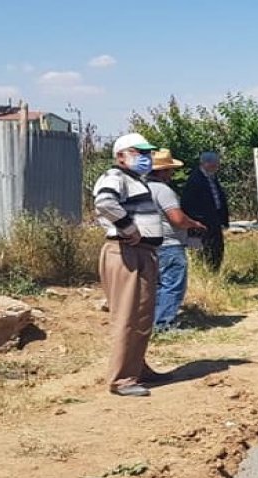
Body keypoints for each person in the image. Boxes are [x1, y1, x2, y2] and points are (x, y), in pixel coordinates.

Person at [92, 133, 167, 397]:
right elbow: (104, 202)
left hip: (141, 253)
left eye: (147, 153)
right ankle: (122, 379)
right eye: (138, 152)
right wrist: (128, 228)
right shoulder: (115, 177)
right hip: (127, 252)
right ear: (121, 156)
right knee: (128, 315)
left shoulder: (135, 180)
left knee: (141, 314)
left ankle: (137, 368)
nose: (145, 158)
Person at [147, 149, 207, 332]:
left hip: (150, 245)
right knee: (173, 284)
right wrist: (194, 224)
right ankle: (164, 324)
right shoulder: (164, 192)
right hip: (169, 244)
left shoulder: (140, 189)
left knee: (157, 285)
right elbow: (177, 219)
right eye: (170, 170)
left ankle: (155, 322)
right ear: (163, 171)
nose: (172, 174)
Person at [181, 151, 229, 271]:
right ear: (206, 164)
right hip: (199, 222)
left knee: (216, 247)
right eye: (215, 164)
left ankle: (213, 272)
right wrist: (195, 221)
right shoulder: (195, 180)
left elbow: (218, 198)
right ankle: (202, 273)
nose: (217, 167)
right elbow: (188, 203)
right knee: (198, 249)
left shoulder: (212, 177)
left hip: (214, 220)